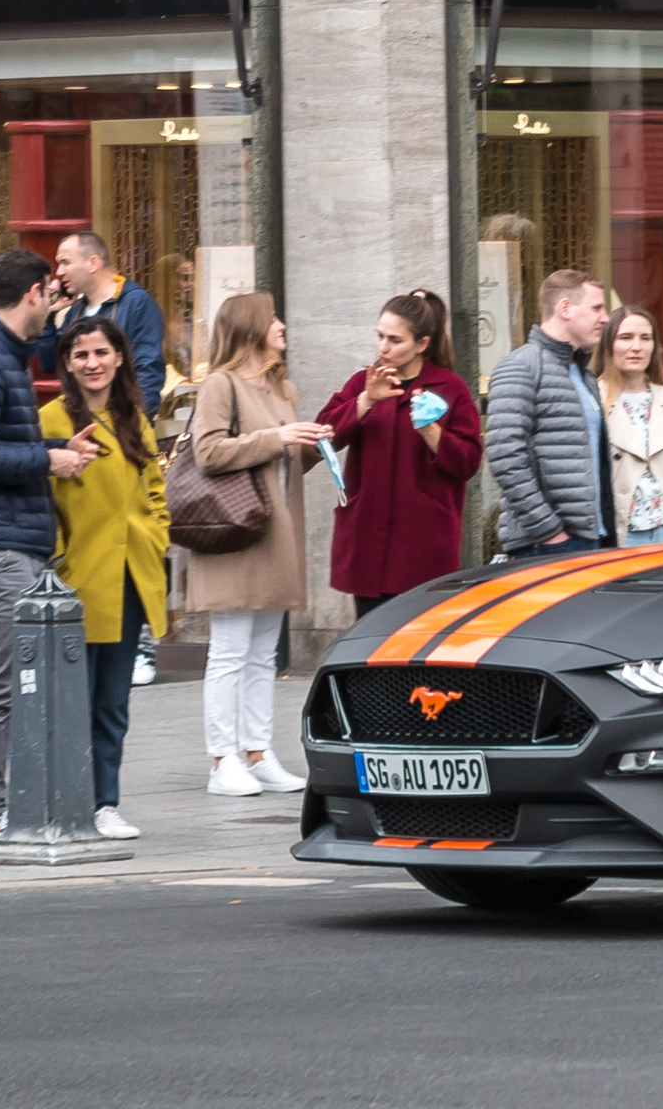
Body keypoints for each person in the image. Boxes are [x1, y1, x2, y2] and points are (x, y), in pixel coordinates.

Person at [0, 248, 100, 854]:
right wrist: (49, 459)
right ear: (33, 292)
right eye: (53, 298)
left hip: (4, 539)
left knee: (5, 684)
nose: (56, 312)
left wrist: (56, 445)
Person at [187, 292, 327, 797]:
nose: (283, 326)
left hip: (273, 534)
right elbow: (208, 451)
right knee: (228, 651)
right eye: (273, 319)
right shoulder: (220, 385)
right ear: (251, 328)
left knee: (263, 652)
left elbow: (280, 461)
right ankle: (223, 758)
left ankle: (257, 751)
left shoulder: (276, 387)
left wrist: (308, 444)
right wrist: (279, 437)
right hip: (234, 535)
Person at [41, 317, 166, 841]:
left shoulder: (134, 415)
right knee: (71, 701)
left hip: (130, 577)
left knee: (112, 702)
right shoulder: (49, 418)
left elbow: (156, 489)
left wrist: (155, 538)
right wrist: (61, 557)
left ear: (119, 357)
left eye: (101, 352)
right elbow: (39, 499)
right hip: (81, 579)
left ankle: (105, 802)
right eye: (81, 354)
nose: (92, 363)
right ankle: (66, 801)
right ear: (67, 363)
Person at [316, 289, 483, 617]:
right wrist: (365, 401)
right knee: (371, 646)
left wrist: (430, 430)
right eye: (380, 336)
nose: (383, 347)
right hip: (368, 544)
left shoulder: (451, 389)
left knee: (421, 649)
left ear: (422, 344)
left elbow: (468, 462)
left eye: (395, 340)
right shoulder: (363, 382)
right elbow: (323, 436)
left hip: (423, 548)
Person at [486, 269, 611, 556]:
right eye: (596, 308)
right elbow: (506, 456)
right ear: (565, 307)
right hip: (548, 544)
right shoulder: (521, 366)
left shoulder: (584, 373)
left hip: (591, 538)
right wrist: (550, 532)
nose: (605, 318)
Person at [34, 231, 168, 416]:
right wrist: (47, 314)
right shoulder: (78, 310)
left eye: (65, 262)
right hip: (82, 422)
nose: (59, 272)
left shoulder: (135, 303)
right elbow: (50, 363)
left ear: (93, 263)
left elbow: (148, 369)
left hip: (123, 424)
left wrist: (137, 426)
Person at [598, 306, 663, 545]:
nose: (637, 347)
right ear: (608, 344)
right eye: (625, 337)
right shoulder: (593, 399)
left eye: (645, 338)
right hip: (621, 534)